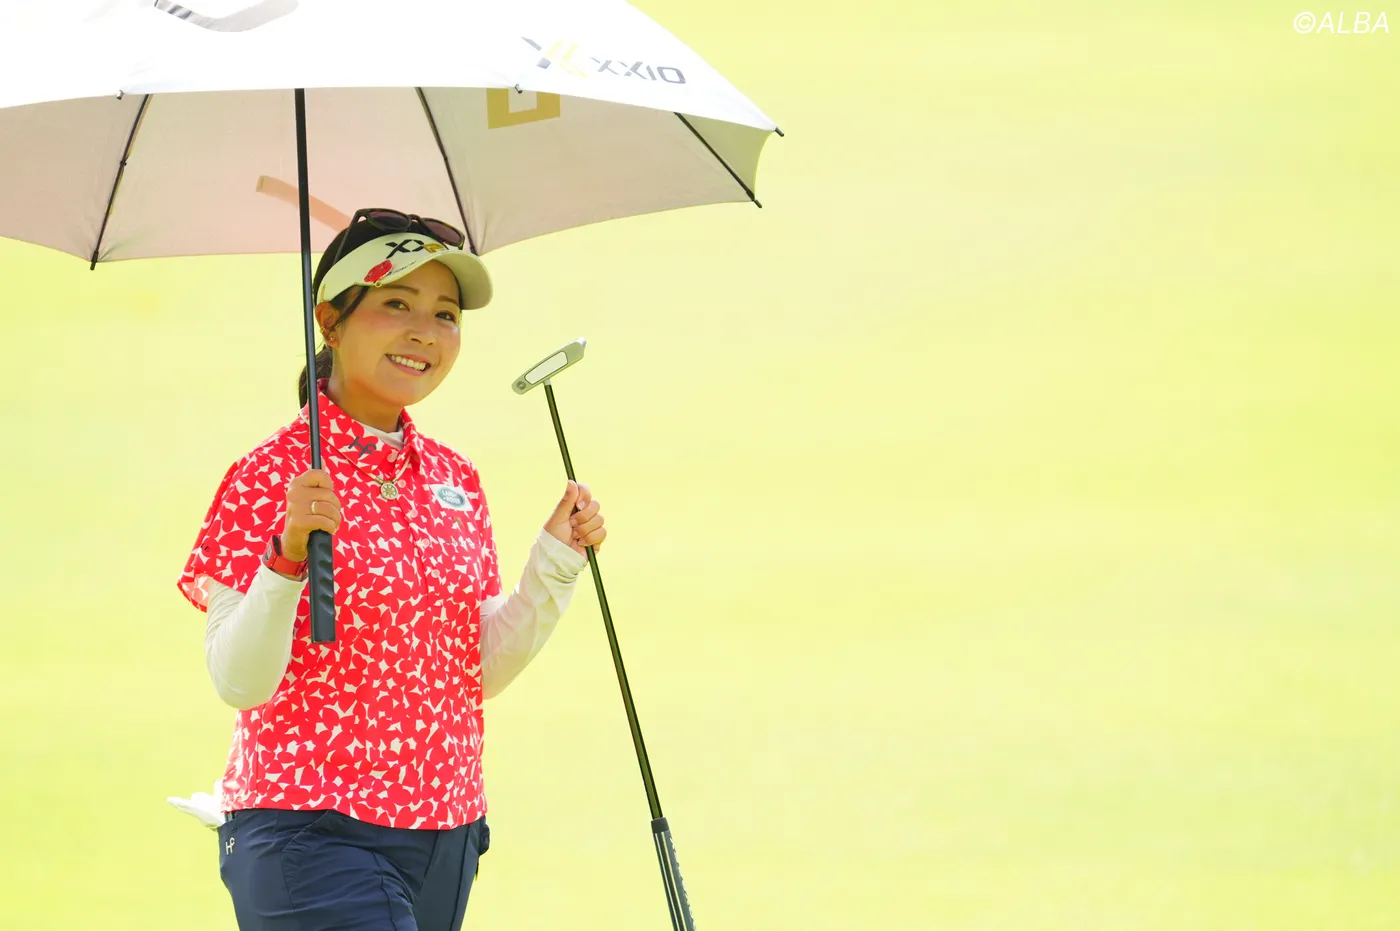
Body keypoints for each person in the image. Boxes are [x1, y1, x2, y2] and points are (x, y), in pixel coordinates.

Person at [175, 208, 606, 930]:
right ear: (330, 320)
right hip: (311, 830)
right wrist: (286, 555)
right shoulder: (268, 475)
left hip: (448, 831)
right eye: (396, 304)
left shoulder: (455, 479)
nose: (424, 332)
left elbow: (471, 672)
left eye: (445, 314)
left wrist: (555, 563)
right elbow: (238, 680)